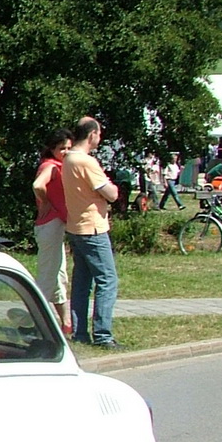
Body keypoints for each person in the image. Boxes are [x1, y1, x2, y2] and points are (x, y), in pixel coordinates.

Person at [63, 116, 122, 348]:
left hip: (75, 225)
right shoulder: (86, 162)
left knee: (81, 281)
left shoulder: (68, 159)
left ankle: (79, 332)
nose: (100, 137)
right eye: (98, 133)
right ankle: (103, 334)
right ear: (91, 135)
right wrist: (111, 189)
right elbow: (111, 193)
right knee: (107, 280)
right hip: (93, 227)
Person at [32, 129, 73, 334]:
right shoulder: (50, 166)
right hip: (50, 224)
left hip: (56, 225)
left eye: (68, 148)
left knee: (59, 275)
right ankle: (33, 320)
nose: (65, 152)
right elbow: (38, 185)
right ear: (52, 149)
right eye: (61, 148)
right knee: (48, 275)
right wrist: (47, 202)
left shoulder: (61, 166)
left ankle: (65, 323)